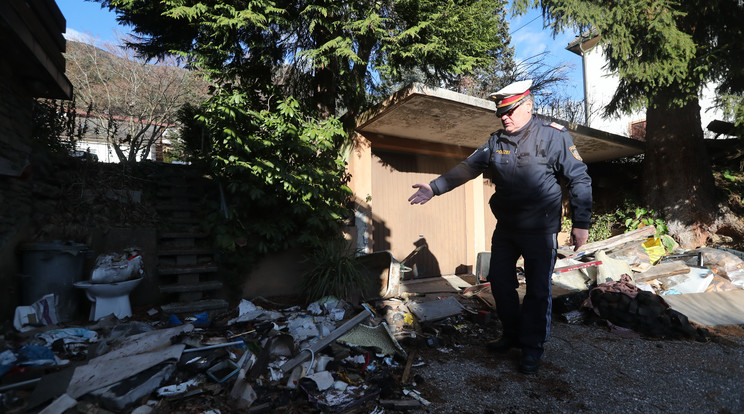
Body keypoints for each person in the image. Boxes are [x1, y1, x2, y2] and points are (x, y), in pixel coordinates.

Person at [408, 79, 592, 374]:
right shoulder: (496, 142)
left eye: (510, 110)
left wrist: (581, 223)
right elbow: (468, 167)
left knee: (538, 290)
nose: (504, 116)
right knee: (500, 282)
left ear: (528, 106)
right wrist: (434, 187)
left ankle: (532, 347)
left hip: (540, 230)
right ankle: (511, 334)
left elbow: (579, 179)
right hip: (506, 228)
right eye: (500, 113)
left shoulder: (554, 137)